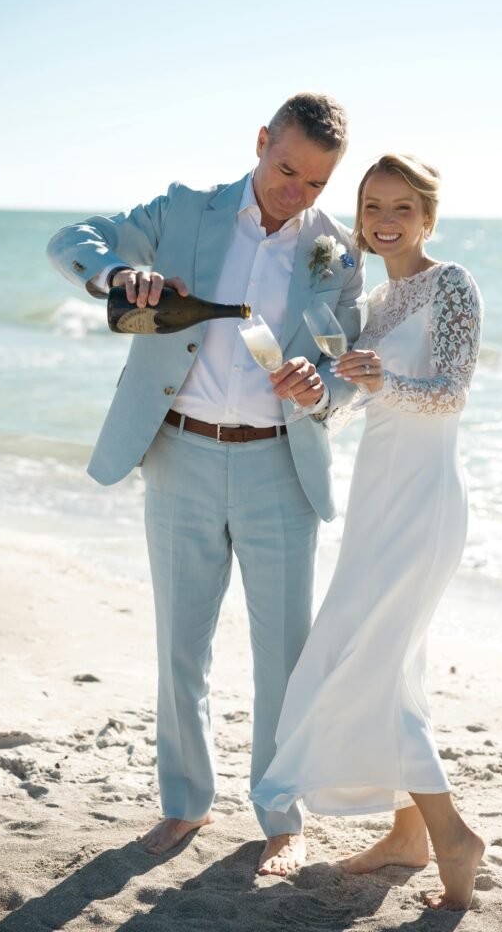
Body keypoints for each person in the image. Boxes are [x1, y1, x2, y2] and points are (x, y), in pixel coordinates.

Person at [46, 93, 365, 875]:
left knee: (283, 653)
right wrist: (118, 271)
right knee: (180, 648)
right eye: (287, 170)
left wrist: (317, 386)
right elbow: (70, 240)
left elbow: (345, 363)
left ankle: (281, 814)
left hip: (280, 468)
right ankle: (185, 804)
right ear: (261, 143)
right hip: (180, 455)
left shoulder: (335, 251)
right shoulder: (184, 211)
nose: (297, 193)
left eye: (316, 184)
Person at [251, 153, 485, 909]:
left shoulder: (451, 283)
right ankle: (407, 835)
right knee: (395, 665)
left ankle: (451, 832)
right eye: (372, 208)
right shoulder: (377, 303)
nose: (384, 221)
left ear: (426, 216)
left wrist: (386, 382)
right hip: (375, 500)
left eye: (401, 209)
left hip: (423, 503)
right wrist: (311, 392)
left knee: (373, 666)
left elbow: (447, 395)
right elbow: (350, 410)